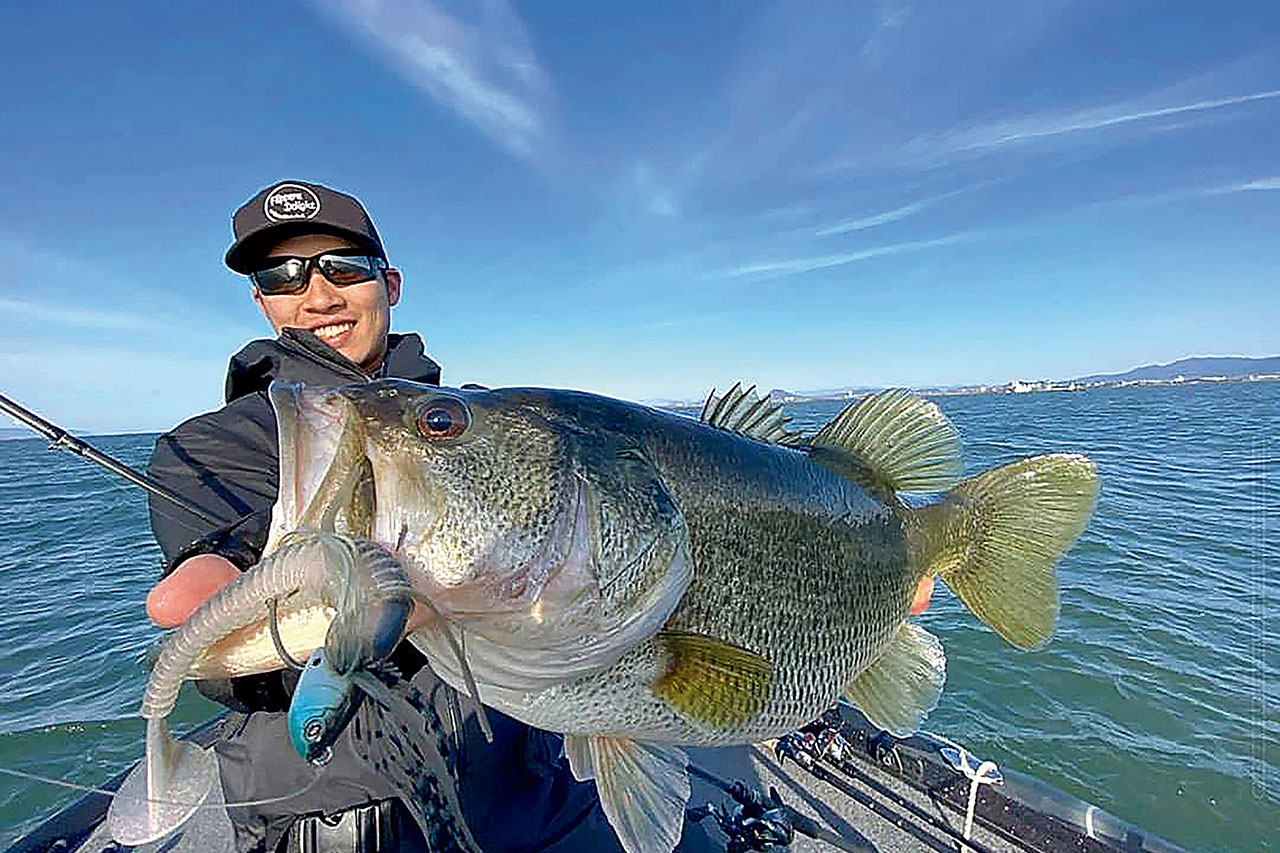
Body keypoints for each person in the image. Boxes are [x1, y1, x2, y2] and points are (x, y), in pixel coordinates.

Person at [145, 179, 935, 853]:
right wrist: (231, 613)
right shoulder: (213, 445)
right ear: (260, 299)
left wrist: (873, 575)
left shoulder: (507, 420)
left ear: (389, 282)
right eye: (284, 275)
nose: (316, 293)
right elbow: (201, 612)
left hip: (531, 780)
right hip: (334, 816)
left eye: (342, 267)